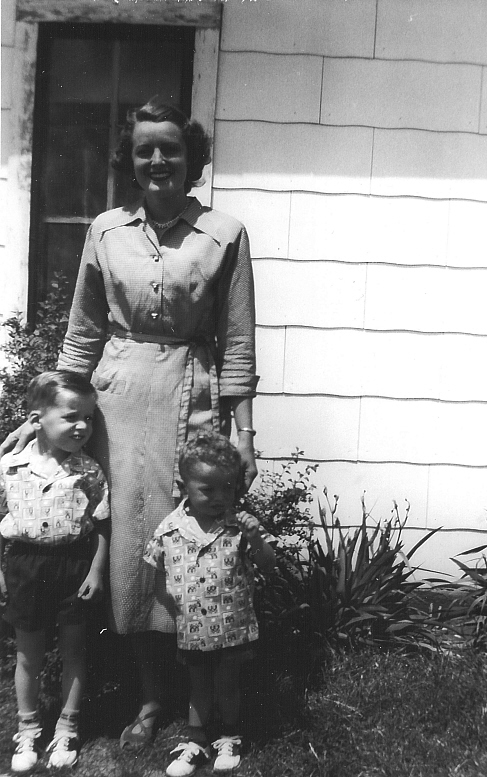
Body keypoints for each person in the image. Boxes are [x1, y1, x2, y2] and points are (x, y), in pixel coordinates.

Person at [0, 100, 259, 748]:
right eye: (145, 149)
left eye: (170, 148)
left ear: (191, 158)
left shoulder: (224, 233)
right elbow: (81, 335)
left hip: (191, 398)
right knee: (128, 554)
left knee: (188, 545)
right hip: (117, 404)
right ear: (131, 159)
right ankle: (147, 696)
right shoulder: (106, 230)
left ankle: (194, 695)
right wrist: (45, 423)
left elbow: (238, 342)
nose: (157, 159)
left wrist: (245, 434)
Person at [144, 431, 275, 776]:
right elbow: (160, 577)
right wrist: (176, 614)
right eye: (208, 490)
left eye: (228, 488)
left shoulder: (238, 527)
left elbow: (268, 564)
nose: (220, 498)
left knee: (228, 685)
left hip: (234, 627)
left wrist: (256, 539)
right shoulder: (169, 530)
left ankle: (229, 737)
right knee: (198, 687)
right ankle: (196, 740)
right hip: (192, 628)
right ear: (184, 484)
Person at [0, 371, 110, 772]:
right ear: (36, 419)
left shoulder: (90, 470)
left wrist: (96, 572)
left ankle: (67, 726)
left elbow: (101, 526)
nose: (83, 426)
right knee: (28, 655)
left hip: (73, 565)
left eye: (90, 418)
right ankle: (27, 730)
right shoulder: (10, 467)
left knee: (74, 650)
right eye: (71, 416)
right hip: (24, 565)